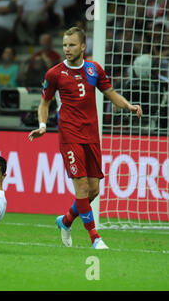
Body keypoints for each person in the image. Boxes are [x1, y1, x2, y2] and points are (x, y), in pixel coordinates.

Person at [28, 27, 143, 250]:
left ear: (83, 46)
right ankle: (95, 238)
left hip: (91, 135)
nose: (67, 49)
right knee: (81, 188)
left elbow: (110, 93)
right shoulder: (54, 74)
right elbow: (44, 103)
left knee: (93, 190)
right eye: (64, 45)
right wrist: (42, 125)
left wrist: (128, 105)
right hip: (69, 135)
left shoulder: (94, 69)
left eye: (71, 45)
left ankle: (66, 221)